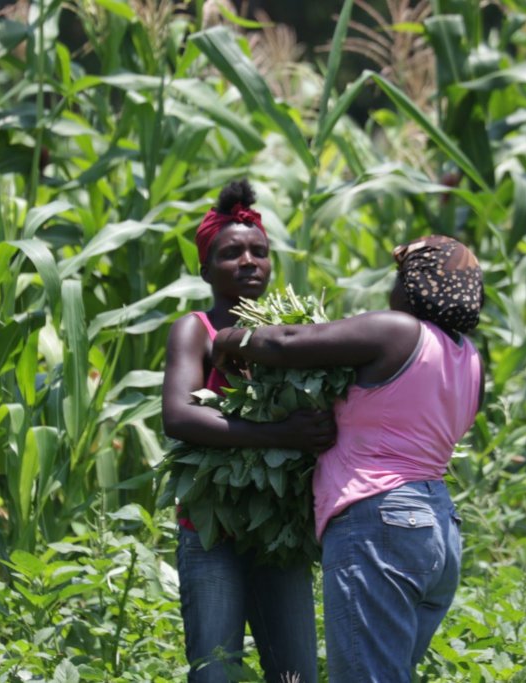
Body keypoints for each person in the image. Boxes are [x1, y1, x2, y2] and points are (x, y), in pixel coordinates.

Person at [212, 234, 485, 682]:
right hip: (439, 529)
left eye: (398, 278)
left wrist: (228, 337)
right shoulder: (471, 360)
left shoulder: (398, 332)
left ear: (415, 286)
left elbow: (285, 341)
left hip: (383, 520)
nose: (391, 288)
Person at [161, 179, 335, 683]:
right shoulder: (196, 329)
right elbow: (179, 416)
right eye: (231, 253)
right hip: (211, 531)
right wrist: (282, 434)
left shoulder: (291, 331)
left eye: (259, 252)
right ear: (205, 269)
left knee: (295, 673)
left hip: (279, 529)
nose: (248, 262)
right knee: (215, 671)